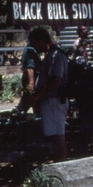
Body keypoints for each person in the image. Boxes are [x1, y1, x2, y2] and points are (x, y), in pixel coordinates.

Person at [27, 27, 69, 161]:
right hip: (49, 102)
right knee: (52, 136)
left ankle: (61, 166)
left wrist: (38, 94)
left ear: (42, 41)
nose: (34, 47)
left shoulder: (56, 55)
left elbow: (56, 79)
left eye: (35, 43)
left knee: (58, 136)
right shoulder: (49, 55)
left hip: (55, 101)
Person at [14, 40, 41, 114]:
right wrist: (31, 84)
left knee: (28, 99)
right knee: (30, 99)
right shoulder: (31, 49)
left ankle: (20, 112)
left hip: (29, 78)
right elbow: (30, 68)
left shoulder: (31, 48)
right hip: (31, 78)